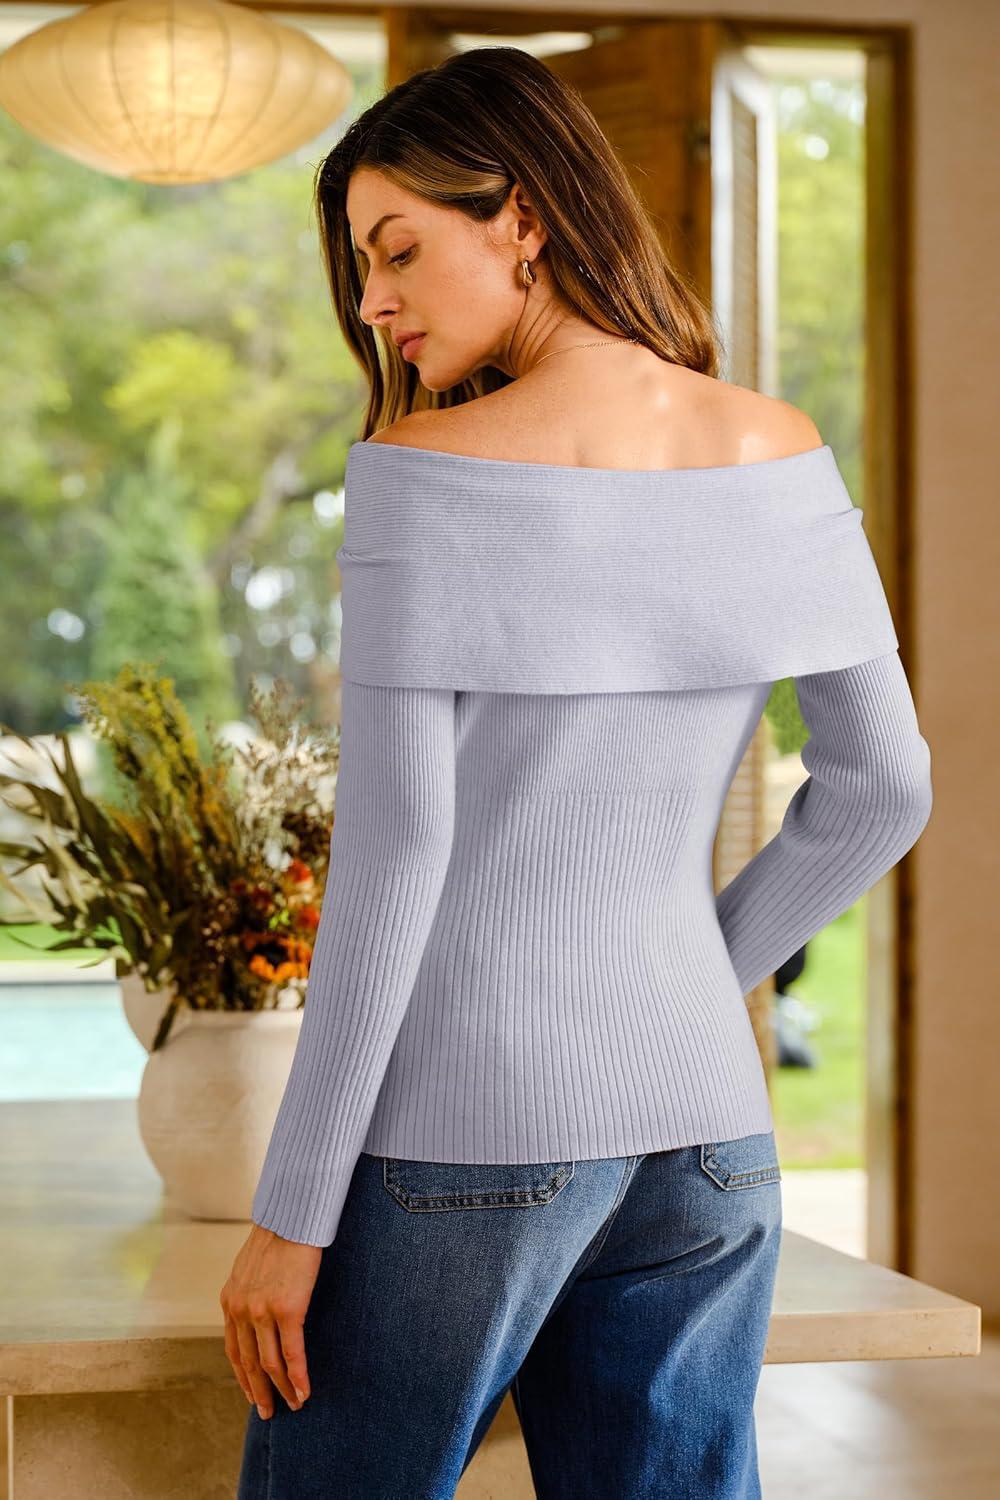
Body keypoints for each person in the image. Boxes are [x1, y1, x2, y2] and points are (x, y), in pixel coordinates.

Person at [222, 45, 933, 1500]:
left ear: (527, 218)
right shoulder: (779, 450)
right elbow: (886, 791)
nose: (374, 301)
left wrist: (292, 1214)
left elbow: (399, 853)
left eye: (398, 249)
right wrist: (691, 978)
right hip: (709, 1133)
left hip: (465, 1132)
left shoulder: (428, 466)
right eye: (361, 266)